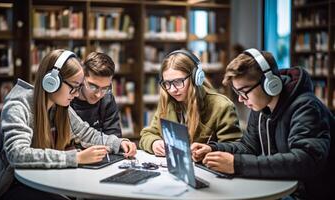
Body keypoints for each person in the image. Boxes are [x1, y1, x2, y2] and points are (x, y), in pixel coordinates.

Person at [0, 49, 137, 200]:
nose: (77, 94)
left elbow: (86, 134)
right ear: (52, 82)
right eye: (74, 87)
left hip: (41, 180)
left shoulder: (61, 107)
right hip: (10, 187)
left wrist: (119, 143)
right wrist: (76, 158)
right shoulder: (19, 105)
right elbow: (17, 154)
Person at [191, 48, 334, 199]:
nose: (240, 99)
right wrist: (213, 148)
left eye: (244, 91)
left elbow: (304, 161)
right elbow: (248, 147)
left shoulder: (307, 107)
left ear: (270, 84)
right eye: (237, 93)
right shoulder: (261, 107)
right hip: (286, 190)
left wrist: (237, 164)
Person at [139, 49, 242, 156]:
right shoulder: (167, 103)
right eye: (167, 83)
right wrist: (154, 143)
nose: (172, 90)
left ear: (195, 78)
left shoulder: (222, 106)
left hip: (208, 170)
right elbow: (147, 134)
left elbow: (235, 148)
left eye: (178, 82)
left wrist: (210, 150)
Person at [71, 52, 122, 137]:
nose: (98, 95)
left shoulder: (107, 99)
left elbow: (115, 137)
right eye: (93, 86)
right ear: (82, 78)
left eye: (105, 88)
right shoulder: (67, 98)